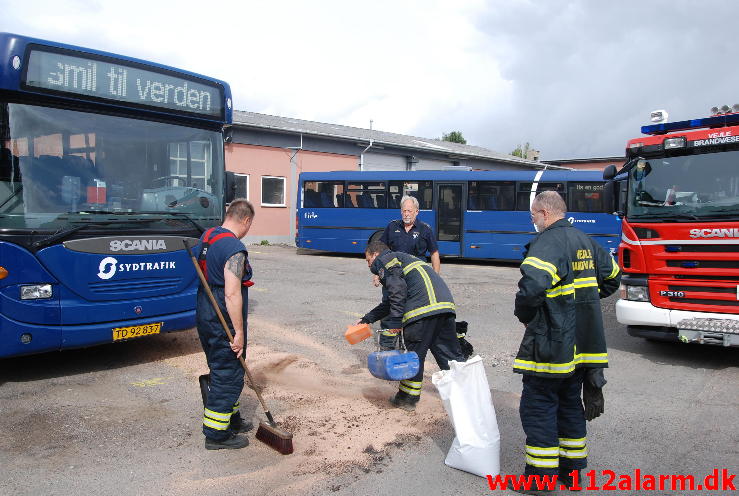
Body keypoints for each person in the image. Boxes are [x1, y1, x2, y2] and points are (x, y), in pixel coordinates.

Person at [513, 191, 620, 492]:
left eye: (533, 215)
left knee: (539, 407)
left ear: (545, 213)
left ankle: (539, 481)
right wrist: (582, 301)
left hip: (552, 343)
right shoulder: (586, 241)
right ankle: (571, 474)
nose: (533, 221)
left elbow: (531, 287)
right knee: (570, 405)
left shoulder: (548, 241)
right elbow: (612, 277)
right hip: (582, 348)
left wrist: (525, 315)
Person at [356, 241, 465, 411]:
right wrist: (367, 319)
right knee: (450, 356)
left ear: (376, 254)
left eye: (368, 260)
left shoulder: (385, 260)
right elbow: (390, 301)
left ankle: (407, 399)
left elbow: (397, 293)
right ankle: (467, 396)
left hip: (421, 311)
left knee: (413, 356)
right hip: (445, 308)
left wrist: (395, 323)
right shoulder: (405, 259)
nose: (369, 265)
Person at [195, 199, 255, 450]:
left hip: (205, 309)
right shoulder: (234, 247)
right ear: (246, 220)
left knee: (224, 368)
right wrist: (238, 331)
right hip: (223, 314)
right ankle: (216, 434)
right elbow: (232, 294)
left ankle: (232, 419)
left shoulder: (207, 237)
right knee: (228, 373)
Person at [376, 195, 441, 350]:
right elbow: (381, 252)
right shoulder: (392, 227)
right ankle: (387, 348)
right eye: (404, 210)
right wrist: (377, 273)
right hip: (392, 279)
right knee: (389, 310)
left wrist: (435, 277)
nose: (406, 214)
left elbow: (434, 254)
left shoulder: (425, 229)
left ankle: (410, 346)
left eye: (409, 211)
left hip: (415, 280)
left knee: (413, 312)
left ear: (416, 212)